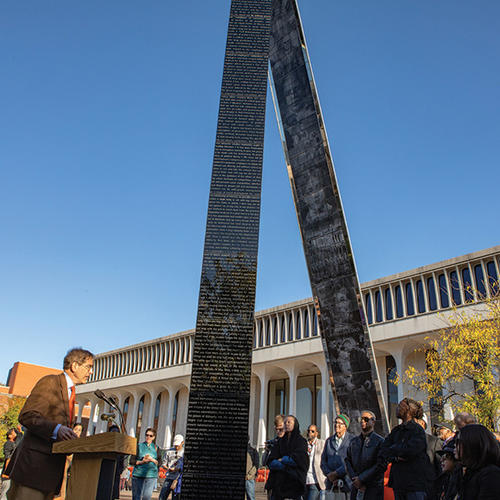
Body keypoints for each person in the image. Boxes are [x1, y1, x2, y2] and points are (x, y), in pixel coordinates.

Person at [6, 347, 94, 500]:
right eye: (89, 367)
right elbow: (27, 415)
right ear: (74, 366)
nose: (91, 372)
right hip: (33, 471)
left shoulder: (71, 393)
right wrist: (57, 429)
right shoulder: (50, 382)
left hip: (50, 475)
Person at [377, 398, 430, 500]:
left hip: (414, 485)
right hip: (398, 484)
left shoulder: (417, 431)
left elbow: (410, 451)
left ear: (407, 409)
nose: (397, 408)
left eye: (400, 405)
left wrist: (394, 450)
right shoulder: (396, 431)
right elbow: (383, 450)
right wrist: (396, 457)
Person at [265, 415, 309, 500]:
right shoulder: (279, 442)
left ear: (295, 424)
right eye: (285, 422)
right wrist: (284, 466)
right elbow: (271, 461)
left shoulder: (301, 441)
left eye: (289, 422)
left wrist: (283, 459)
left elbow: (300, 460)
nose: (287, 424)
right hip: (278, 485)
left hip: (294, 483)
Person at [345, 410, 385, 500]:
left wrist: (362, 479)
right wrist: (355, 479)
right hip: (356, 486)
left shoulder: (380, 442)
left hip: (373, 488)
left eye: (366, 419)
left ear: (373, 421)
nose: (363, 421)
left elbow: (380, 465)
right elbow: (348, 461)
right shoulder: (353, 442)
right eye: (361, 419)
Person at [455, 424, 500, 500]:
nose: (455, 446)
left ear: (472, 444)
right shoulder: (470, 472)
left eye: (459, 442)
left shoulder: (490, 474)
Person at [320, 414, 354, 499]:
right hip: (331, 484)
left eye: (340, 423)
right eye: (335, 422)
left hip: (347, 484)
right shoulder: (329, 441)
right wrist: (329, 475)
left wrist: (337, 473)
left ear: (345, 426)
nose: (336, 425)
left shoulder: (352, 440)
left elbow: (352, 461)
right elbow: (323, 462)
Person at [131, 428, 161, 500]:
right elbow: (131, 461)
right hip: (138, 475)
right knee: (136, 497)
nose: (148, 437)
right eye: (147, 435)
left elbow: (159, 463)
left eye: (151, 436)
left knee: (146, 497)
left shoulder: (156, 448)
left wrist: (152, 460)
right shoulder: (138, 446)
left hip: (151, 476)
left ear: (153, 437)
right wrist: (142, 461)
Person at [263, 415, 286, 500]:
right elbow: (264, 463)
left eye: (281, 429)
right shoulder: (274, 442)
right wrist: (267, 451)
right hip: (273, 482)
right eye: (276, 429)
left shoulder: (291, 442)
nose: (278, 431)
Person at [304, 424, 326, 500]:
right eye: (308, 431)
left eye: (312, 431)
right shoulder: (304, 445)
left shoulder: (322, 443)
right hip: (304, 481)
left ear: (316, 433)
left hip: (315, 481)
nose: (310, 433)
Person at [159, 434, 184, 500]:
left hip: (178, 479)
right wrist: (168, 468)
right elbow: (164, 464)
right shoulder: (168, 452)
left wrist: (178, 469)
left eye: (178, 445)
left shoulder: (184, 452)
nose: (176, 447)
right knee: (162, 496)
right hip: (169, 477)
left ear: (182, 443)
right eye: (175, 445)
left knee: (175, 497)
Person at [1, 429, 18, 500]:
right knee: (5, 493)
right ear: (9, 435)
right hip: (8, 473)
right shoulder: (9, 443)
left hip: (12, 473)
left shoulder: (14, 443)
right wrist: (7, 472)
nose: (16, 433)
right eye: (14, 432)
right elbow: (8, 458)